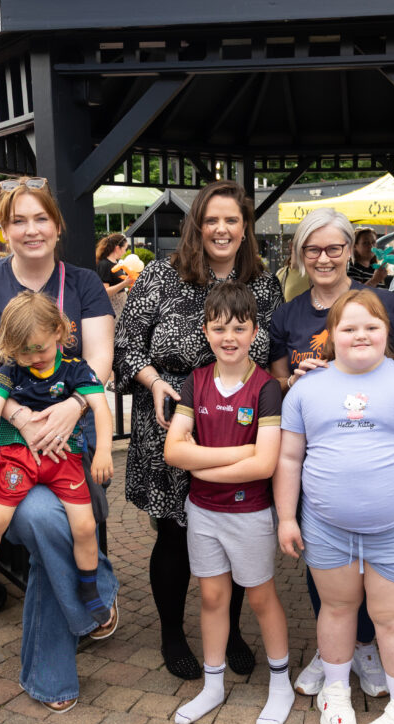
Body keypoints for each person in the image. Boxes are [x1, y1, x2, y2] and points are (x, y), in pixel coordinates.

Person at [0, 176, 119, 714]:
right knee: (49, 525)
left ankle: (52, 666)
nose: (31, 229)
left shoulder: (85, 283)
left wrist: (71, 407)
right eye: (18, 220)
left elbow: (99, 356)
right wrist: (23, 417)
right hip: (9, 436)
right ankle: (94, 599)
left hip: (74, 434)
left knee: (66, 529)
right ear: (4, 229)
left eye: (40, 218)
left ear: (56, 224)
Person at [113, 179, 282, 680]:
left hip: (239, 426)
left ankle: (228, 632)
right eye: (211, 220)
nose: (222, 229)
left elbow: (274, 357)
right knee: (173, 534)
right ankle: (172, 632)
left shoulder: (264, 284)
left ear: (245, 227)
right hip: (171, 420)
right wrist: (154, 383)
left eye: (232, 219)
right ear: (197, 226)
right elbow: (127, 346)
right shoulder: (160, 278)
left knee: (231, 528)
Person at [276, 290, 394, 724]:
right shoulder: (306, 388)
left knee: (393, 620)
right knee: (336, 610)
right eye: (349, 327)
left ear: (388, 332)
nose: (360, 335)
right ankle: (335, 692)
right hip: (327, 528)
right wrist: (286, 518)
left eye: (372, 327)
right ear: (330, 335)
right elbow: (289, 459)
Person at [268, 207, 394, 699]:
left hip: (374, 448)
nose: (324, 258)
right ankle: (334, 648)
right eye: (313, 249)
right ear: (300, 255)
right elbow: (274, 381)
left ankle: (367, 645)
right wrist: (292, 381)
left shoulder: (381, 301)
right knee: (325, 559)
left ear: (351, 250)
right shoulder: (288, 313)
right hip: (317, 454)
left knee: (377, 568)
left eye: (334, 248)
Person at [162, 281, 293, 724]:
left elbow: (266, 464)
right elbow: (173, 453)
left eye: (239, 327)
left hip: (249, 514)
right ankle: (213, 684)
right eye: (219, 328)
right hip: (203, 513)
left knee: (259, 597)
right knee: (213, 596)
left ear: (255, 330)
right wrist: (238, 455)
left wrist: (202, 466)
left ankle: (281, 681)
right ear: (205, 331)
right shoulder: (193, 381)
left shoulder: (267, 389)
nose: (229, 337)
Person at [0, 291, 114, 627]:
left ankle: (89, 588)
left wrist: (102, 452)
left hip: (64, 458)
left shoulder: (75, 369)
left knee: (85, 527)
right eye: (23, 352)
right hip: (19, 456)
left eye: (40, 347)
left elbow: (100, 406)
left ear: (59, 331)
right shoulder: (11, 372)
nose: (34, 357)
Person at [95, 232, 135, 316]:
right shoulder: (104, 264)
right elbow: (105, 291)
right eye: (125, 248)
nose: (125, 252)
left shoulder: (116, 264)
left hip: (120, 307)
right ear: (117, 248)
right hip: (114, 309)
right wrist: (125, 283)